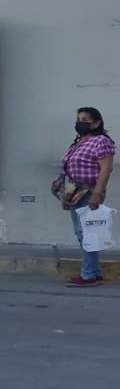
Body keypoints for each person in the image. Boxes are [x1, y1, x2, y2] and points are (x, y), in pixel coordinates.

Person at [61, 107, 113, 287]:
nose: (80, 122)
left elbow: (106, 169)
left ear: (97, 123)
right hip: (75, 193)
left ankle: (88, 275)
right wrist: (66, 197)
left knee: (86, 235)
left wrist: (97, 195)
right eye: (78, 119)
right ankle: (95, 273)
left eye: (85, 119)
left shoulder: (100, 141)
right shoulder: (79, 142)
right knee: (85, 234)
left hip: (89, 192)